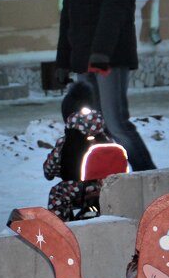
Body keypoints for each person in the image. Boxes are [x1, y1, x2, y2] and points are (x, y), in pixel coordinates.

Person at [55, 0, 156, 171]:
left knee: (115, 122)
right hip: (84, 54)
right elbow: (69, 12)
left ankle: (148, 177)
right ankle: (110, 183)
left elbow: (115, 5)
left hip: (108, 56)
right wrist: (64, 59)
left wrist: (101, 52)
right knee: (94, 126)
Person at [43, 80, 129, 222]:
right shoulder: (104, 136)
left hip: (80, 189)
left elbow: (49, 170)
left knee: (56, 193)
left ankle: (59, 228)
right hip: (109, 187)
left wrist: (55, 170)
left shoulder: (66, 141)